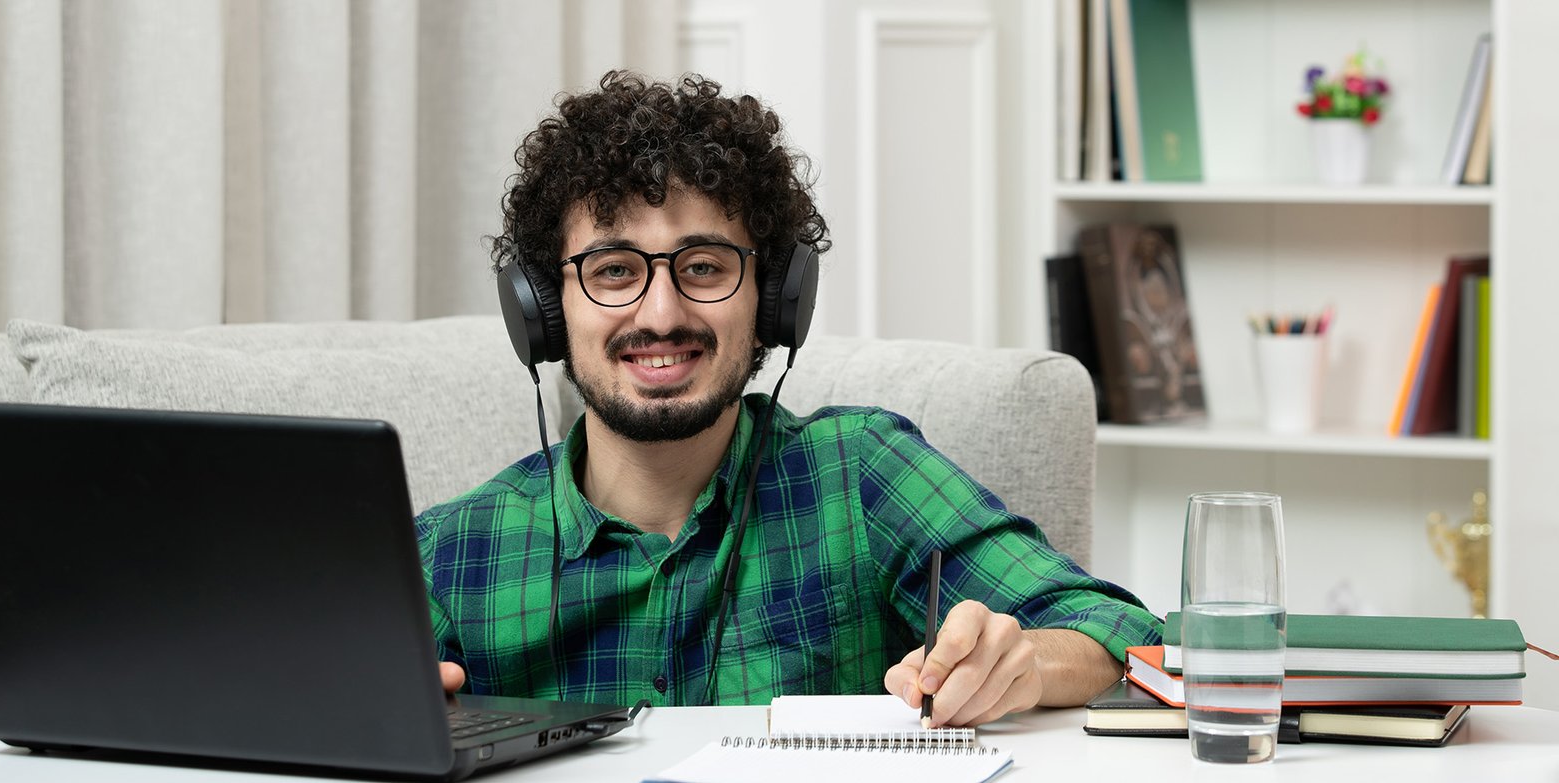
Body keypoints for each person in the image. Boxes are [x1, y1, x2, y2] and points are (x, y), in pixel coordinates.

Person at [415, 71, 1163, 728]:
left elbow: (1122, 630)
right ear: (545, 308)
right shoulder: (450, 554)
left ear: (775, 300)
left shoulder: (862, 474)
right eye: (614, 270)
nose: (661, 314)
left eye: (704, 267)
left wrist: (1023, 660)